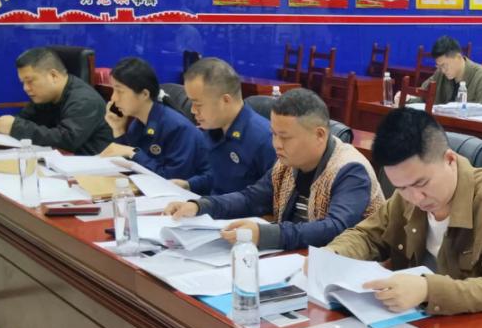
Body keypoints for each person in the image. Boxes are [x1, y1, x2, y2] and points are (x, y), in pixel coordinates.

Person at [324, 108, 482, 328]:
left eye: (422, 183)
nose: (416, 197)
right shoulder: (406, 198)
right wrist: (332, 255)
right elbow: (367, 236)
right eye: (401, 187)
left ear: (450, 159)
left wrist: (427, 289)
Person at [165, 89, 384, 251]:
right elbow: (251, 199)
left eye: (285, 137)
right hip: (295, 256)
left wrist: (265, 234)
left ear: (319, 135)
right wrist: (201, 206)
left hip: (342, 271)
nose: (277, 144)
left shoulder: (350, 170)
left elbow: (335, 228)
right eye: (274, 134)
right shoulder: (286, 163)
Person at [0, 47, 113, 155]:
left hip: (90, 166)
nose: (26, 88)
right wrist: (1, 124)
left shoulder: (84, 100)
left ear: (53, 76)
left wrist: (15, 127)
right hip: (58, 159)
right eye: (23, 82)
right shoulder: (45, 96)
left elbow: (66, 140)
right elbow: (24, 118)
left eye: (30, 81)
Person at [100, 57, 210, 181]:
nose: (113, 98)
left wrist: (133, 152)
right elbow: (128, 167)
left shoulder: (177, 127)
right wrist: (118, 129)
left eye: (120, 91)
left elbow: (172, 180)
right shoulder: (138, 123)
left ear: (144, 94)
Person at [179, 57, 276, 196]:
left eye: (198, 104)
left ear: (225, 100)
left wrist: (205, 205)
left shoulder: (265, 140)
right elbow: (219, 179)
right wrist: (188, 185)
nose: (193, 110)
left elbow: (267, 198)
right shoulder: (214, 128)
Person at [407, 36, 482, 109]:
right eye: (439, 66)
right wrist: (407, 98)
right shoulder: (439, 74)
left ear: (458, 57)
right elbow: (422, 95)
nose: (443, 70)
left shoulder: (481, 77)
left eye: (444, 65)